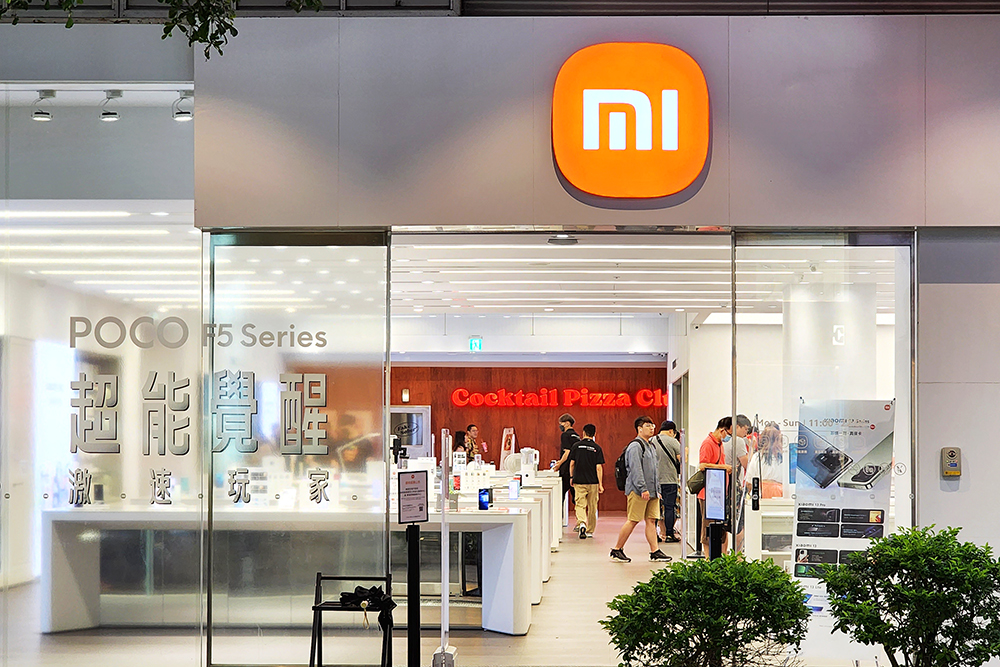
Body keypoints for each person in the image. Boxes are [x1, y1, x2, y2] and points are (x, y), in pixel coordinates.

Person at [610, 416, 671, 563]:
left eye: (652, 425)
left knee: (651, 520)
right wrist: (642, 488)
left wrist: (657, 489)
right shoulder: (635, 446)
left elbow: (655, 469)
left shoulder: (651, 445)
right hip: (639, 491)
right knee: (633, 520)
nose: (651, 428)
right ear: (639, 429)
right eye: (648, 425)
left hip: (652, 491)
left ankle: (654, 551)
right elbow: (635, 469)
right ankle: (617, 549)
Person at [699, 416, 733, 555]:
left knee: (721, 528)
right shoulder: (708, 443)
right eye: (729, 434)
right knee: (708, 526)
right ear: (722, 430)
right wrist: (723, 467)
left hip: (719, 493)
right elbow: (702, 465)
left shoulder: (719, 444)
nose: (729, 437)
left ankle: (721, 556)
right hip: (708, 494)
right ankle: (708, 558)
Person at [569, 423, 604, 539]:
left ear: (583, 432)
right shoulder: (597, 448)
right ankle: (590, 530)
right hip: (593, 482)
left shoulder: (576, 446)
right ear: (594, 434)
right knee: (592, 506)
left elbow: (572, 463)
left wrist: (571, 477)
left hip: (579, 481)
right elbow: (598, 467)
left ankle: (582, 523)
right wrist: (600, 484)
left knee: (580, 504)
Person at [652, 420, 682, 543]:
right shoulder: (674, 442)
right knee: (669, 507)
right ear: (671, 431)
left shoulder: (651, 441)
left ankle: (654, 535)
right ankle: (669, 534)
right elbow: (681, 460)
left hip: (654, 481)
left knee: (654, 508)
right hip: (670, 480)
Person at [746, 422, 786, 499]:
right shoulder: (784, 457)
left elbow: (749, 481)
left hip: (759, 492)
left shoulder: (757, 456)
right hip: (779, 494)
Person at [730, 414, 752, 551]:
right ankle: (737, 554)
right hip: (734, 487)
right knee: (739, 523)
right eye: (745, 429)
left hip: (727, 486)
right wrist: (752, 449)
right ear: (737, 426)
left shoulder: (727, 440)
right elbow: (747, 464)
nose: (746, 433)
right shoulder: (738, 441)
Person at [554, 413, 580, 509]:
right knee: (576, 497)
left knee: (560, 495)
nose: (560, 425)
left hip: (566, 469)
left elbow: (567, 452)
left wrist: (559, 464)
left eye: (561, 423)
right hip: (576, 469)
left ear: (567, 423)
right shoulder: (577, 436)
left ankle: (558, 516)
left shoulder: (565, 435)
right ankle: (580, 516)